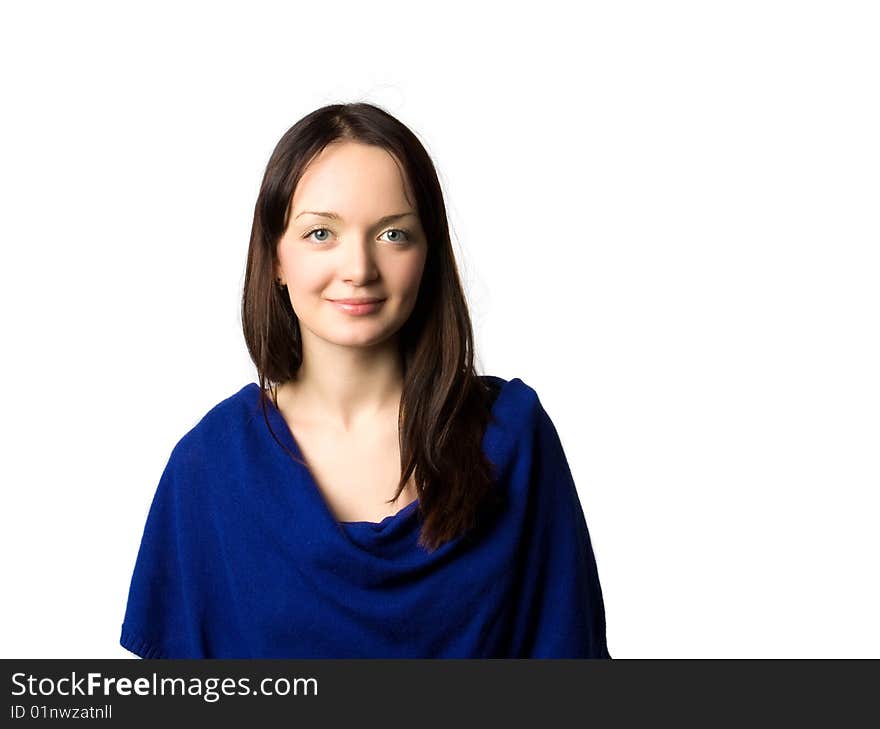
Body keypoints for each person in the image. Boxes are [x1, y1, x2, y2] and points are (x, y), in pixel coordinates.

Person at [119, 102, 611, 658]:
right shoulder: (209, 466)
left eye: (393, 235)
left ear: (429, 253)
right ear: (275, 256)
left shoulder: (514, 438)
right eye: (321, 233)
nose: (358, 268)